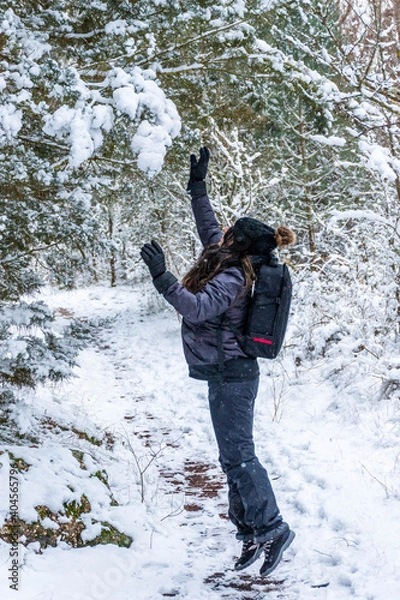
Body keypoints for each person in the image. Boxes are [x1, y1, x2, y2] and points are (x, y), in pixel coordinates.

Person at [140, 147, 296, 577]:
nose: (222, 230)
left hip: (234, 375)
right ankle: (250, 535)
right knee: (232, 458)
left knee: (240, 456)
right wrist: (198, 187)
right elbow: (208, 224)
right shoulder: (228, 256)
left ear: (237, 242)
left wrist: (162, 277)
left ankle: (274, 527)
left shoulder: (232, 276)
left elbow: (194, 307)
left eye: (230, 230)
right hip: (225, 374)